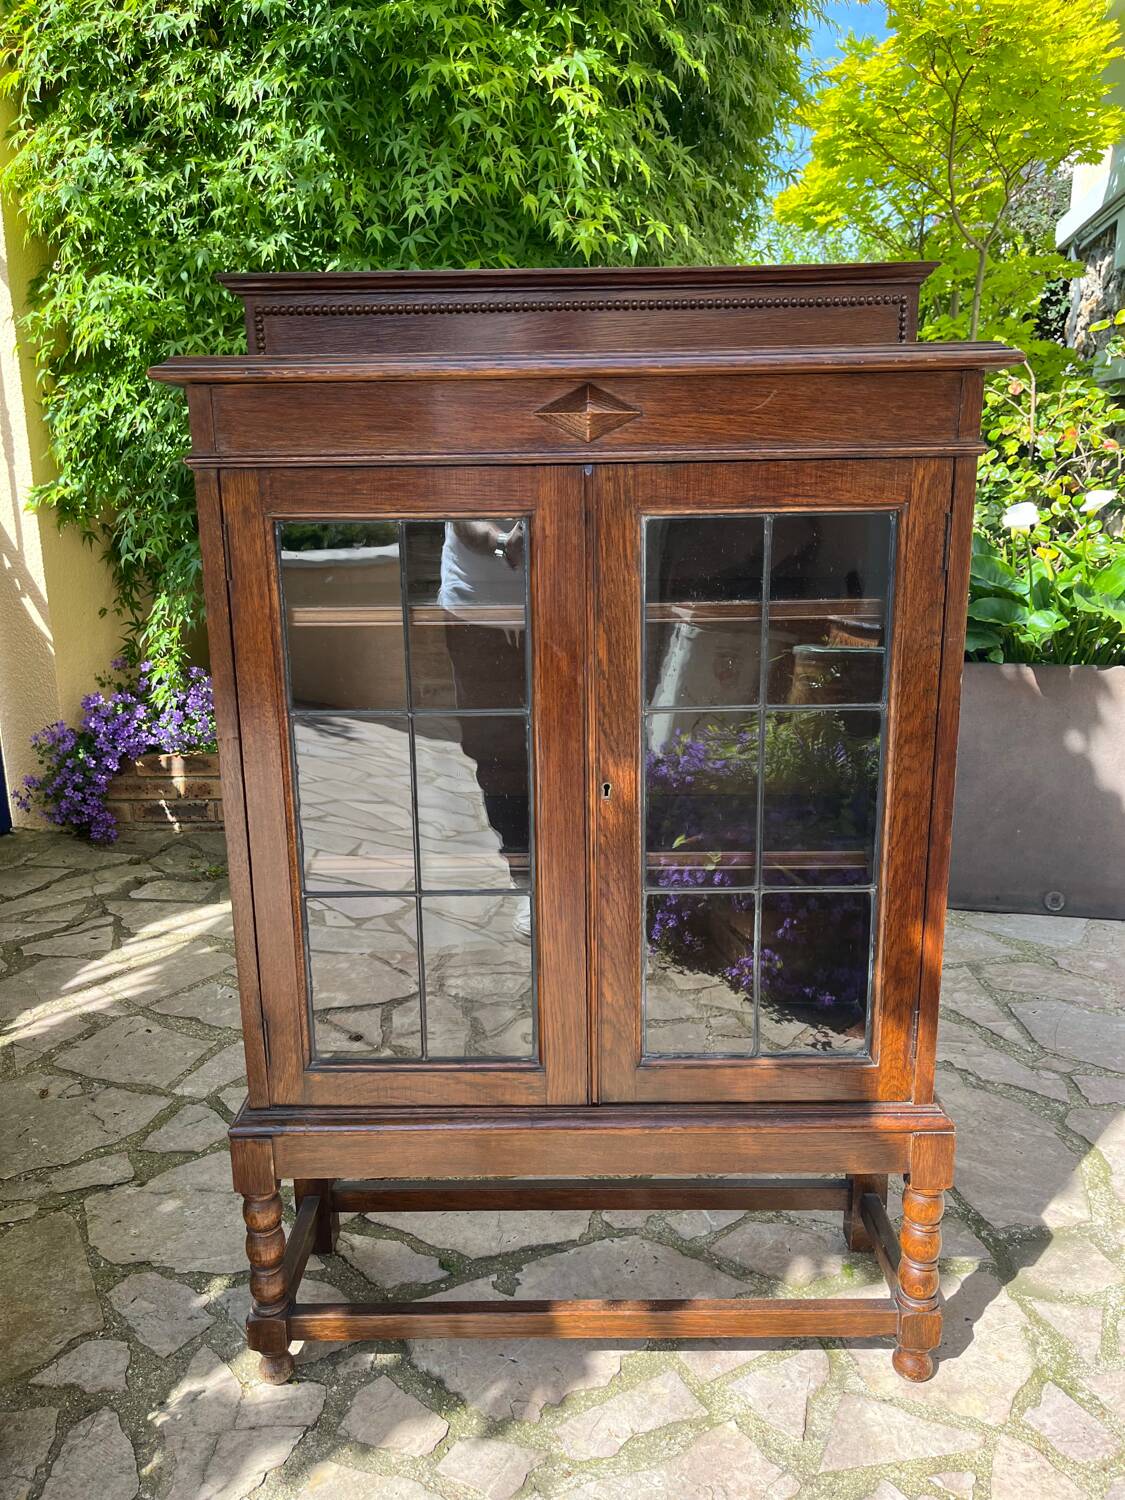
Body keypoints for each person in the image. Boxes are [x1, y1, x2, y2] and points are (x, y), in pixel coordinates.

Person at [437, 519, 532, 942]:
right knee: (496, 754)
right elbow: (461, 510)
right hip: (476, 610)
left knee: (572, 744)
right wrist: (503, 544)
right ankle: (527, 880)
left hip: (567, 599)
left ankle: (573, 870)